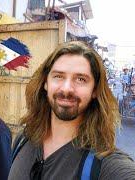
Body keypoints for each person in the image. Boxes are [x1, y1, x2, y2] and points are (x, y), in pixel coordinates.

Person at [8, 41, 135, 180]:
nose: (67, 88)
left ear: (95, 90)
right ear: (45, 83)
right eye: (58, 76)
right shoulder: (23, 139)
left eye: (81, 79)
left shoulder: (104, 164)